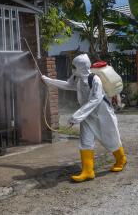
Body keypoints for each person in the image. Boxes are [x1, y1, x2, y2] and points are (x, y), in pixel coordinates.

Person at [42, 54, 127, 182]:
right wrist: (49, 80)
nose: (73, 69)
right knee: (85, 141)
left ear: (81, 67)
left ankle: (121, 159)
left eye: (75, 66)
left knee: (111, 138)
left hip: (102, 114)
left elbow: (95, 100)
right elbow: (68, 85)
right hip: (87, 115)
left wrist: (76, 116)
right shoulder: (77, 77)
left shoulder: (95, 79)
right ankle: (88, 171)